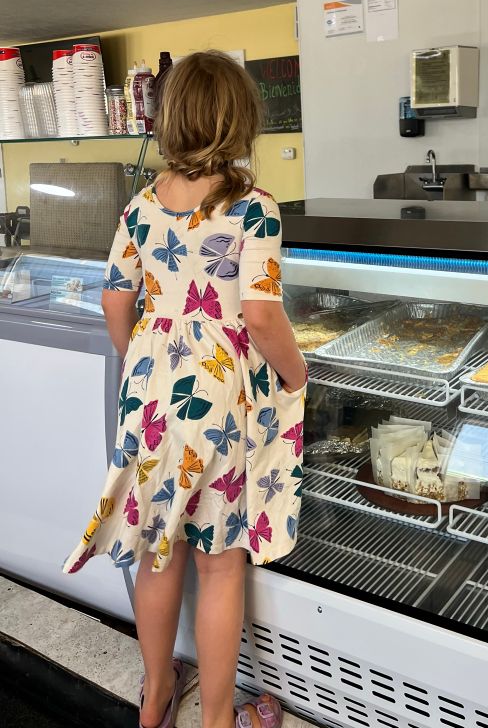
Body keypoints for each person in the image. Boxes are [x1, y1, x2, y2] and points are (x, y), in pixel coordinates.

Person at [64, 51, 307, 728]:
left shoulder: (140, 206)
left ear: (169, 120)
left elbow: (116, 299)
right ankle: (220, 719)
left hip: (150, 390)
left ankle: (155, 696)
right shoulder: (254, 209)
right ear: (241, 121)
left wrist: (144, 360)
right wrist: (297, 372)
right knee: (221, 564)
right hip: (224, 398)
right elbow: (260, 315)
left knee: (158, 550)